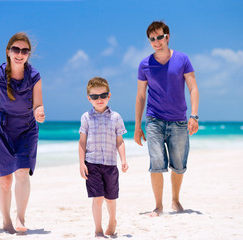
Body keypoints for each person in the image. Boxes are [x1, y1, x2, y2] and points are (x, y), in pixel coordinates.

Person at [0, 32, 45, 233]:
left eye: (25, 51)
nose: (20, 53)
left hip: (27, 129)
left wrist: (39, 112)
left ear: (28, 55)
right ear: (8, 52)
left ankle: (20, 218)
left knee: (23, 172)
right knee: (5, 180)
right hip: (0, 130)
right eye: (16, 49)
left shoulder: (34, 76)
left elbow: (38, 105)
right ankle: (6, 220)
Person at [134, 21, 199, 217]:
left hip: (179, 121)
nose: (156, 42)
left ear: (167, 37)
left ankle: (176, 199)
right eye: (152, 39)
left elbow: (193, 88)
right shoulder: (144, 64)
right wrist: (137, 126)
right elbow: (140, 96)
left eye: (159, 37)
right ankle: (158, 206)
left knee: (179, 165)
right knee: (156, 162)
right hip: (154, 120)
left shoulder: (183, 59)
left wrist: (194, 116)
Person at [78, 77, 129, 238]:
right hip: (92, 163)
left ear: (109, 96)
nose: (99, 100)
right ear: (89, 98)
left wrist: (123, 160)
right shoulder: (86, 117)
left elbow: (119, 141)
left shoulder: (116, 117)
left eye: (103, 95)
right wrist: (81, 163)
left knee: (111, 197)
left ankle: (112, 221)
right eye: (94, 97)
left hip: (110, 164)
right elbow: (82, 142)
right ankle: (98, 230)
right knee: (97, 197)